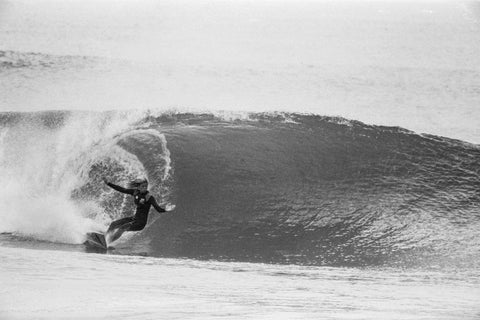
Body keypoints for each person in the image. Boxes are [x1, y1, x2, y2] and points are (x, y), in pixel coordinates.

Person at [103, 177, 171, 243]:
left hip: (140, 223)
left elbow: (158, 209)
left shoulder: (149, 197)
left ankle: (107, 242)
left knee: (122, 228)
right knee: (114, 224)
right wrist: (108, 183)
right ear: (138, 187)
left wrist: (166, 209)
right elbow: (122, 189)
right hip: (135, 218)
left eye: (146, 186)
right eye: (143, 186)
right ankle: (105, 237)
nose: (145, 188)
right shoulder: (135, 192)